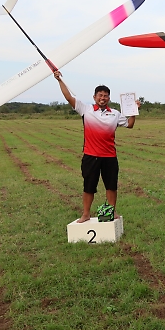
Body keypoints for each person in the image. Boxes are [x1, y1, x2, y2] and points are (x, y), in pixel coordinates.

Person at [54, 70, 138, 223]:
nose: (102, 98)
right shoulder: (85, 109)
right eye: (100, 95)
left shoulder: (115, 114)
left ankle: (112, 212)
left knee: (111, 186)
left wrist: (134, 111)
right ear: (94, 97)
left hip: (109, 156)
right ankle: (86, 214)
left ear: (109, 98)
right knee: (89, 187)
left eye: (105, 95)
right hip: (91, 156)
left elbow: (130, 124)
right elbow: (68, 97)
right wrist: (59, 80)